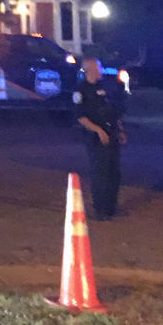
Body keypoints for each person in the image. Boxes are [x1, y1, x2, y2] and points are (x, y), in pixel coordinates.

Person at [73, 56, 127, 220]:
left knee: (113, 172)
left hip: (111, 133)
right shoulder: (81, 90)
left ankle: (111, 207)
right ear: (91, 69)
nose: (102, 70)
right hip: (95, 138)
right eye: (99, 67)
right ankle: (100, 209)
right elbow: (81, 117)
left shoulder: (105, 87)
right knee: (100, 173)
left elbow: (112, 112)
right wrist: (98, 131)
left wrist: (120, 129)